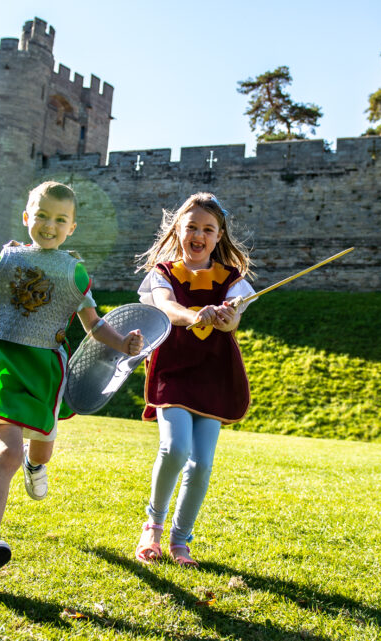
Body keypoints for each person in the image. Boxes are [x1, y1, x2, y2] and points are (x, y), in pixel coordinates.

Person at [0, 181, 144, 578]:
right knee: (7, 453)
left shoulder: (74, 272)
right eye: (41, 216)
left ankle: (37, 468)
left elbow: (94, 324)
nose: (48, 225)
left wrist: (123, 343)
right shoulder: (11, 259)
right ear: (26, 217)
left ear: (72, 227)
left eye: (59, 219)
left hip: (46, 374)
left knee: (39, 452)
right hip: (4, 365)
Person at [133, 192, 255, 568]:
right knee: (174, 448)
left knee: (201, 463)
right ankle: (152, 528)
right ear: (177, 230)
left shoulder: (233, 279)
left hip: (215, 373)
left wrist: (225, 316)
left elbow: (234, 318)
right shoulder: (163, 273)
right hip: (173, 367)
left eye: (208, 229)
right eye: (192, 227)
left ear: (219, 237)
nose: (198, 235)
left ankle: (180, 541)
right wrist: (193, 315)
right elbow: (167, 307)